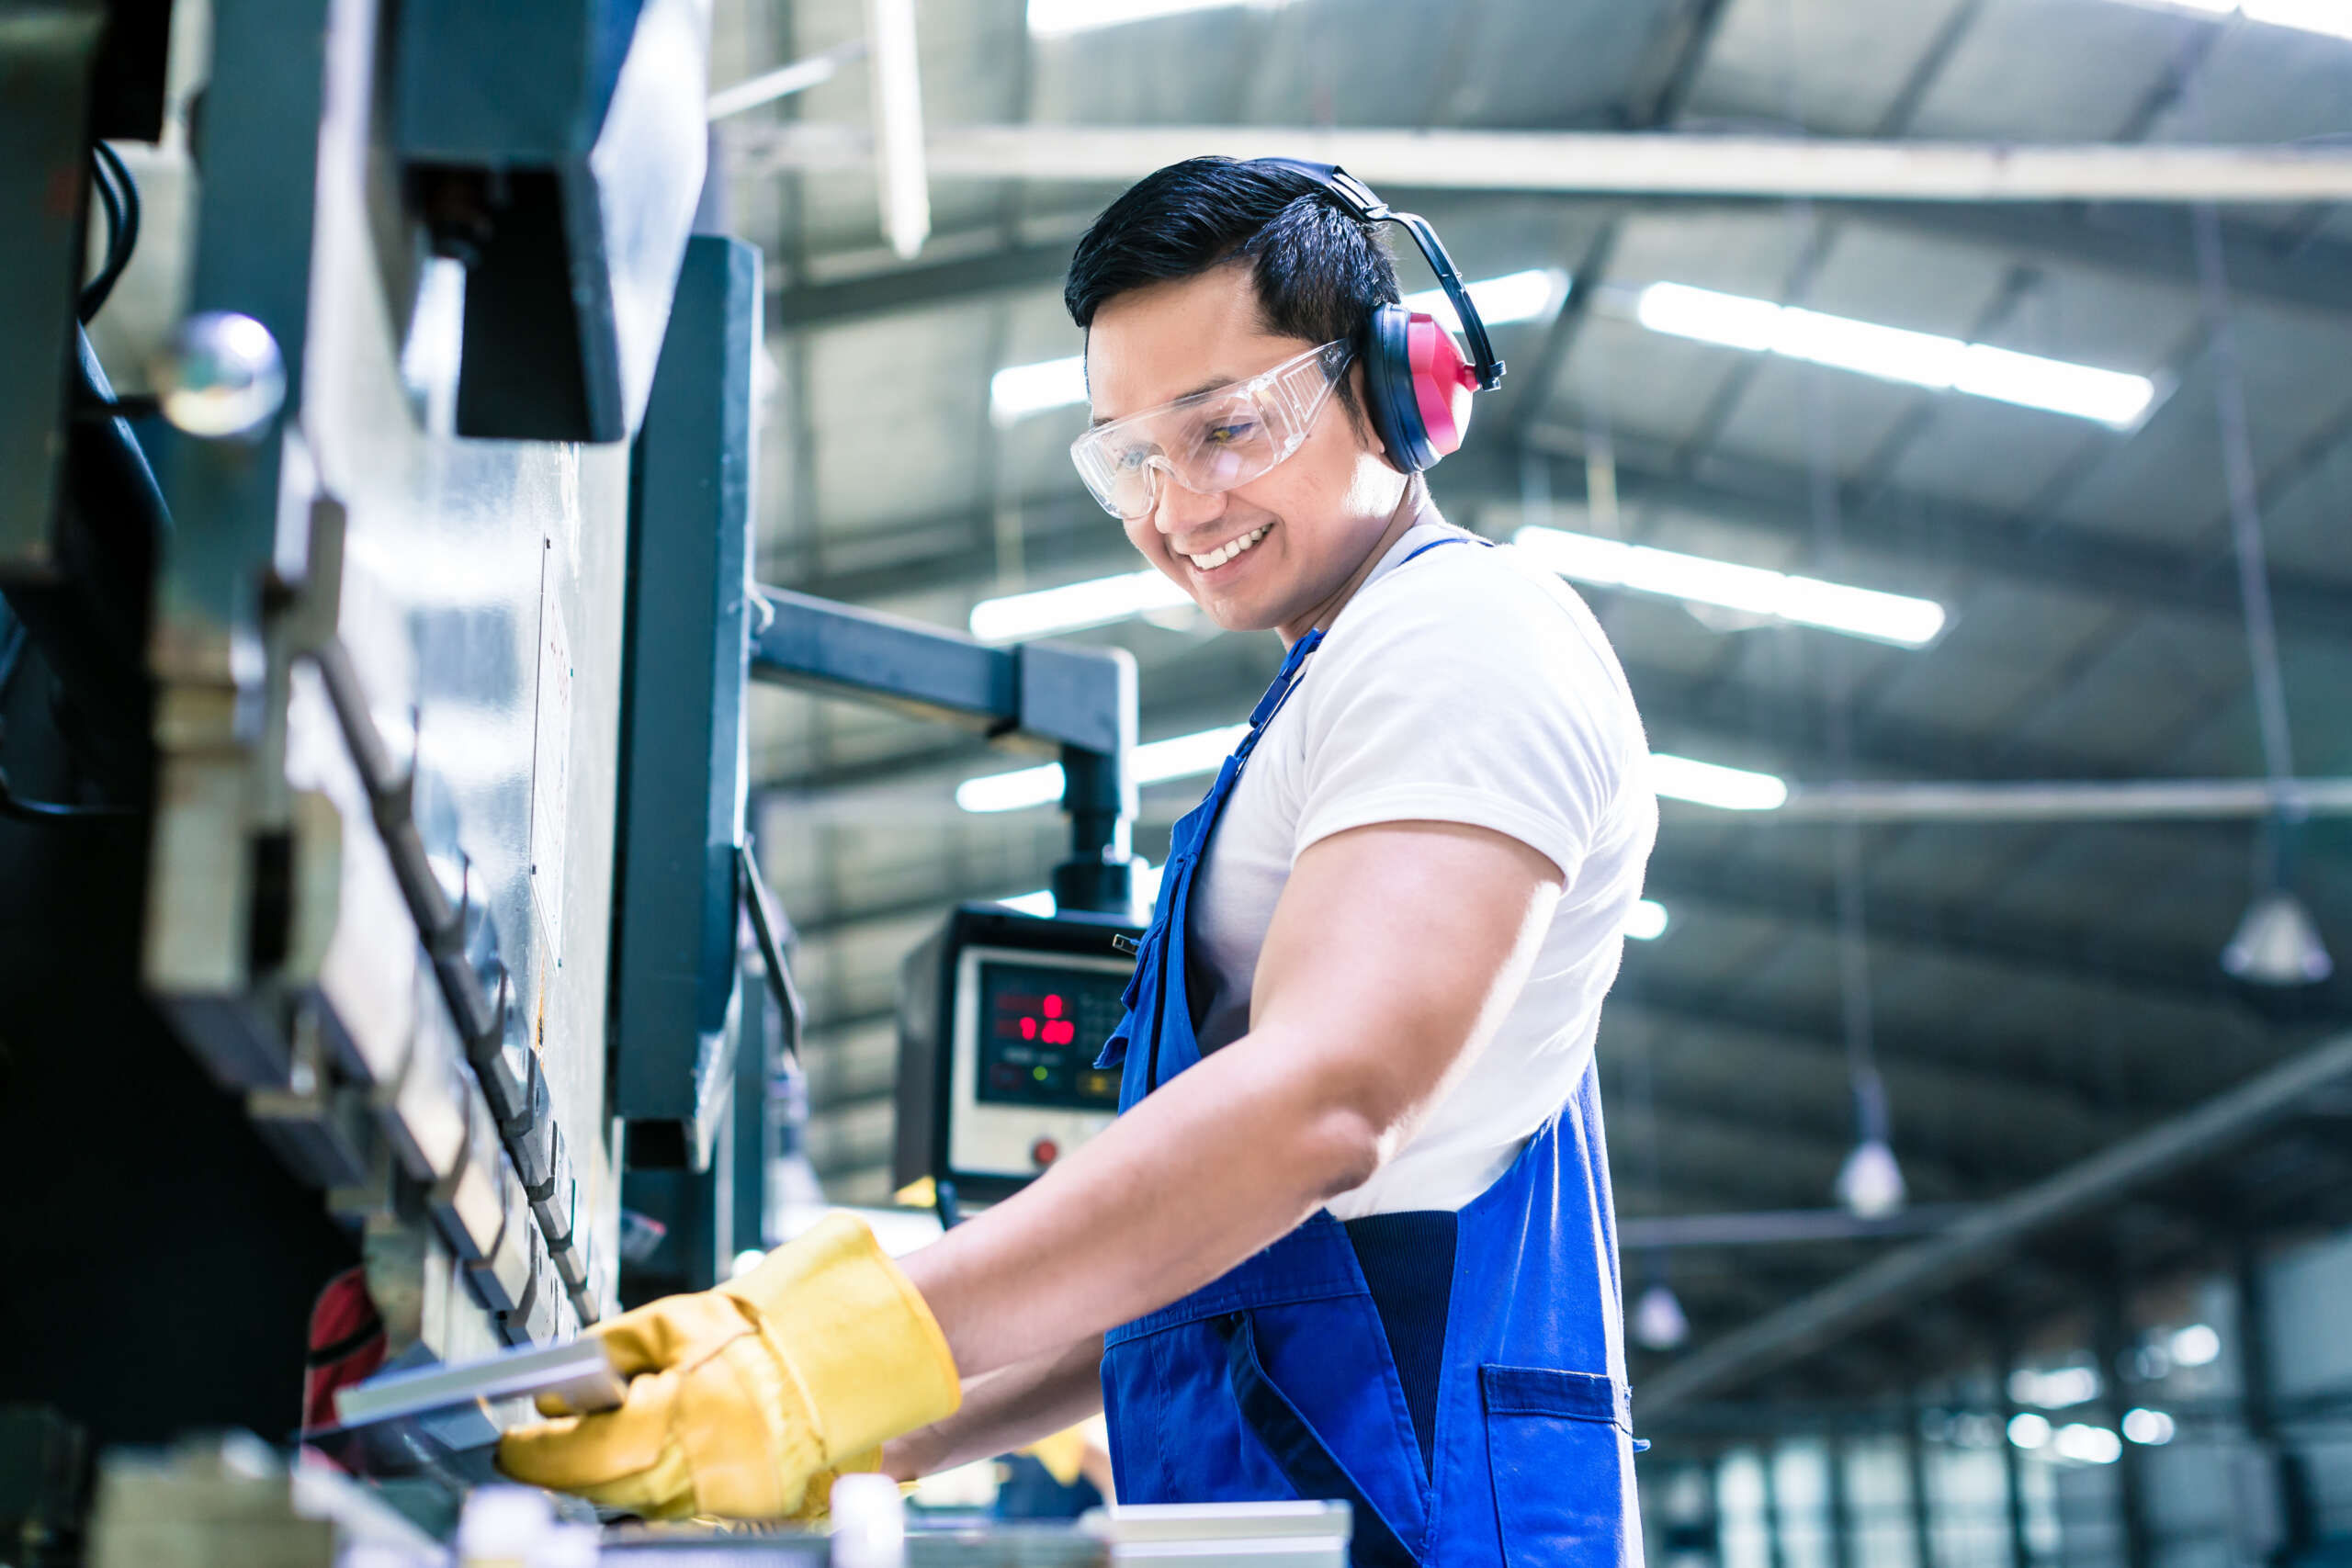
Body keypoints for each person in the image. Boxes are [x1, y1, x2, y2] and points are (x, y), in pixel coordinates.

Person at [500, 156, 1657, 1566]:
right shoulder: (1341, 683)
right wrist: (866, 1438)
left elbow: (1331, 1105)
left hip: (1408, 1518)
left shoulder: (1466, 640)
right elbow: (1214, 1266)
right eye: (1133, 458)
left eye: (1226, 428)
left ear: (1401, 383)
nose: (1180, 508)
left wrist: (843, 1341)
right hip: (1294, 1496)